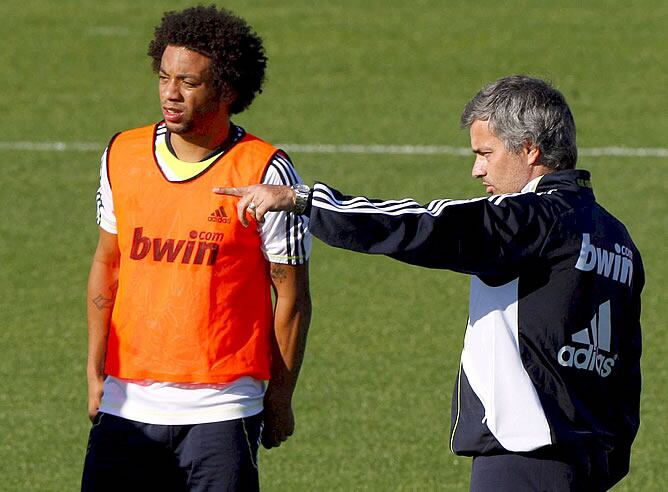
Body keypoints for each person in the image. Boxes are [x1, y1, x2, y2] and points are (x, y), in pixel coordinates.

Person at [215, 75, 644, 491]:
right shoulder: (616, 238)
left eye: (485, 152)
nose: (477, 170)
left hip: (523, 460)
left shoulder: (531, 218)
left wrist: (304, 200)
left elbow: (426, 226)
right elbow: (627, 368)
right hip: (590, 461)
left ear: (530, 150)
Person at [83, 6, 312, 491]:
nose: (170, 92)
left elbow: (290, 296)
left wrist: (280, 396)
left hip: (223, 408)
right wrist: (94, 370)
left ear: (227, 90)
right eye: (164, 77)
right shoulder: (121, 154)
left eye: (188, 82)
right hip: (126, 404)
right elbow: (108, 265)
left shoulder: (266, 171)